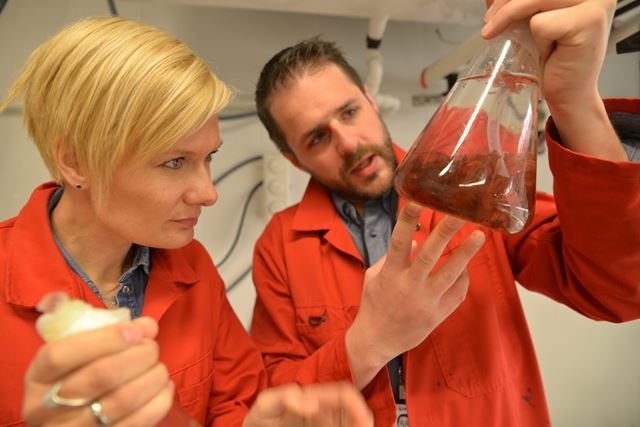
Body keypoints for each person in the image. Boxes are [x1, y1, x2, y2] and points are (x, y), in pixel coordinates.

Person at [250, 0, 640, 426]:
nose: (348, 143)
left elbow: (615, 290)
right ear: (292, 159)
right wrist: (369, 342)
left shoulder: (473, 181)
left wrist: (577, 103)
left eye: (349, 113)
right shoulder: (280, 245)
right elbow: (276, 406)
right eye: (317, 138)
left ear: (370, 100)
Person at [0, 16, 374, 427]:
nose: (208, 193)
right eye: (174, 162)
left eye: (208, 157)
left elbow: (235, 407)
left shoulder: (192, 269)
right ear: (74, 162)